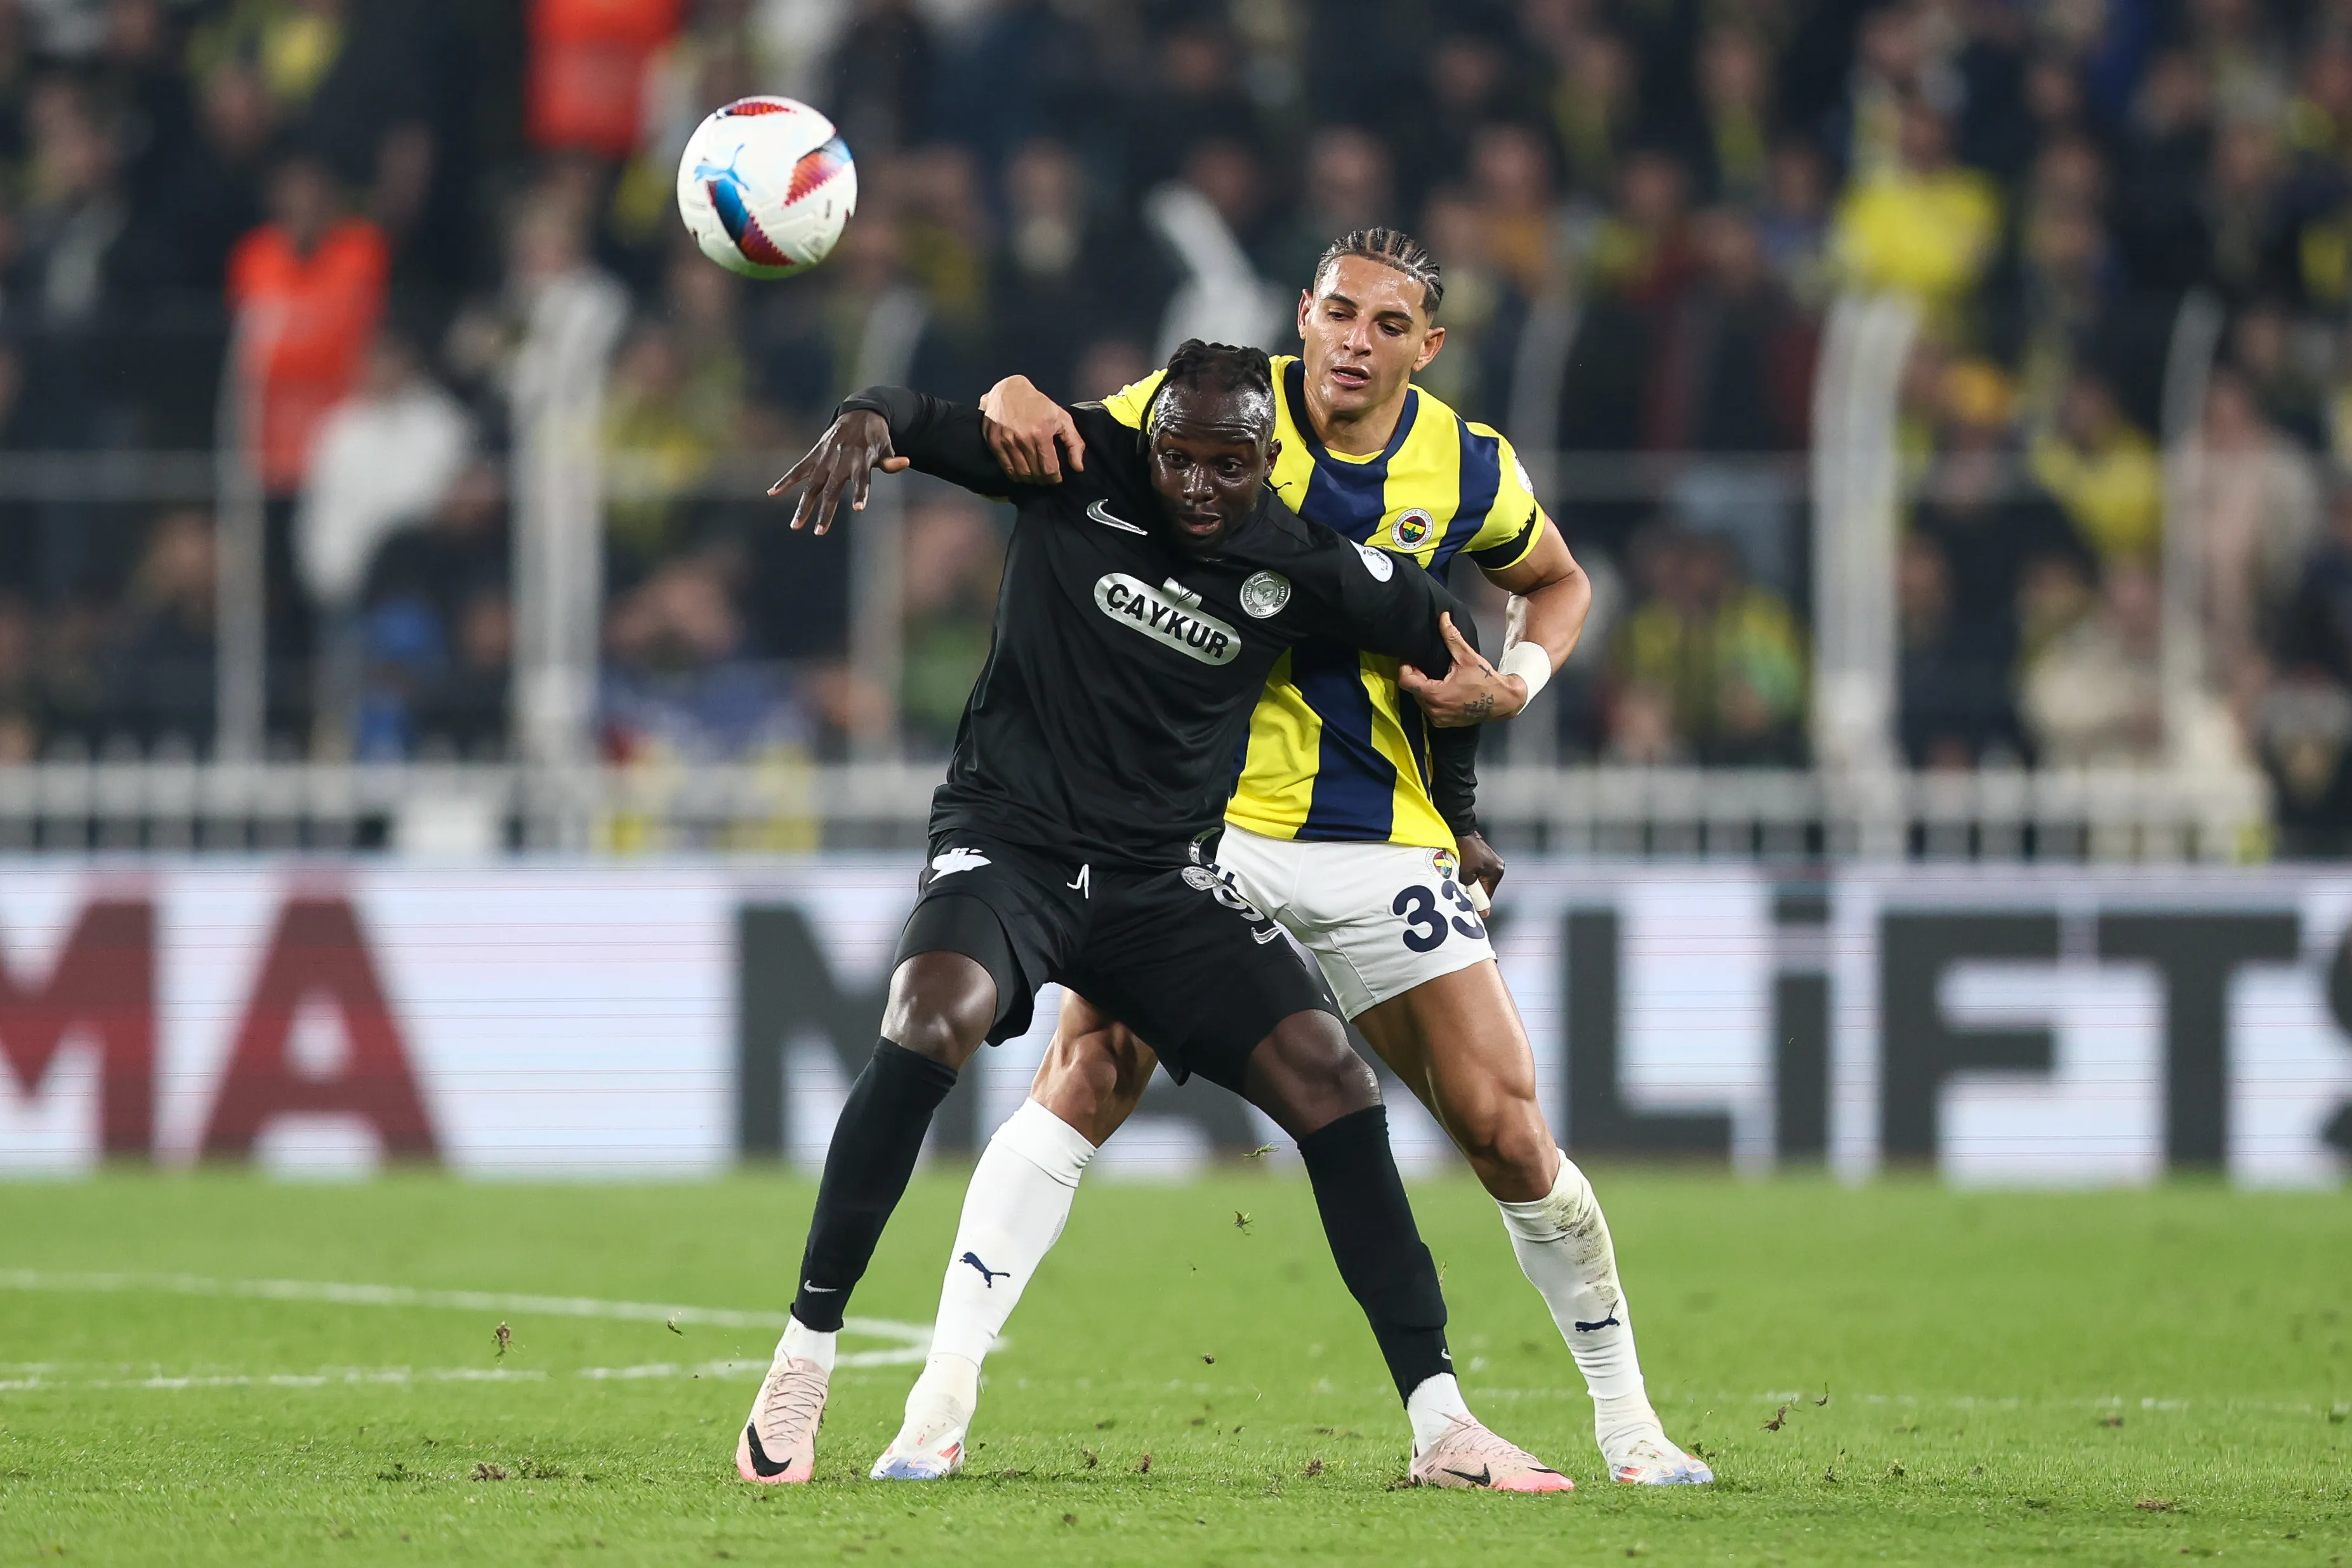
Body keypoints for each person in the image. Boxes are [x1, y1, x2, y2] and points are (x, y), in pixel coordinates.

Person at [877, 229, 1712, 1488]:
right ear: (1304, 314)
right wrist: (1009, 390)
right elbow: (1056, 446)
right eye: (1336, 313)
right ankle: (936, 1405)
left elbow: (1555, 583)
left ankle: (1628, 1424)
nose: (1353, 341)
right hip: (1202, 829)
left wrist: (1514, 684)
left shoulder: (1468, 464)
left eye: (1387, 325)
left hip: (1381, 834)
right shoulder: (1215, 406)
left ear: (1427, 347)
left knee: (1502, 1129)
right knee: (1090, 1067)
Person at [745, 340, 1571, 1493]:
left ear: (1267, 459)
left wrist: (1461, 813)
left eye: (1227, 464)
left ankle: (1443, 1424)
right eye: (1177, 456)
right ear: (1151, 438)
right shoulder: (1076, 461)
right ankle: (804, 1357)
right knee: (931, 1016)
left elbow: (1446, 657)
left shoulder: (1304, 561)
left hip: (1159, 883)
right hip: (1013, 844)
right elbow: (919, 417)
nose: (1196, 485)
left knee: (1333, 1081)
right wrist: (861, 416)